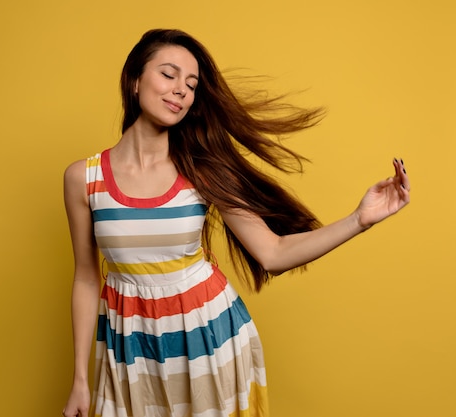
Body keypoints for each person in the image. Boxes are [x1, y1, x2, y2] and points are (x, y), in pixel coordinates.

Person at [62, 29, 410, 417]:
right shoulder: (84, 179)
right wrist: (81, 378)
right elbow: (87, 278)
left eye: (191, 84)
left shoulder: (200, 170)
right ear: (135, 79)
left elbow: (273, 252)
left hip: (207, 345)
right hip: (131, 352)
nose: (180, 90)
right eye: (169, 74)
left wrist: (359, 220)